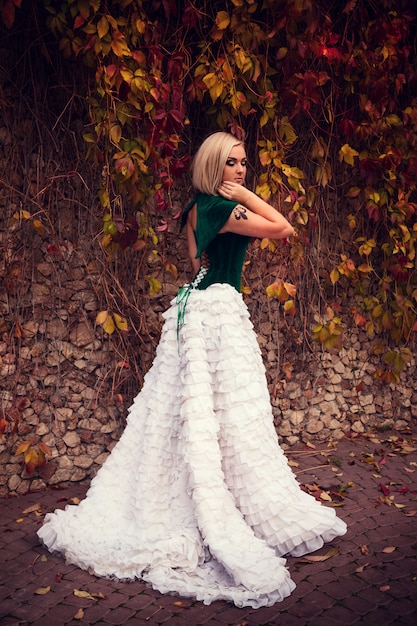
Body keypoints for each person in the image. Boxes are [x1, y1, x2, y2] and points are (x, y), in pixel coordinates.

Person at [37, 131, 347, 609]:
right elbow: (283, 228)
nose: (241, 171)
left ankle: (202, 487)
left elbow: (192, 260)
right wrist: (244, 197)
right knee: (223, 410)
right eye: (231, 164)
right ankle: (214, 501)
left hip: (193, 307)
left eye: (244, 164)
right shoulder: (224, 209)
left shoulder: (194, 209)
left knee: (196, 410)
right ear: (213, 167)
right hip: (218, 311)